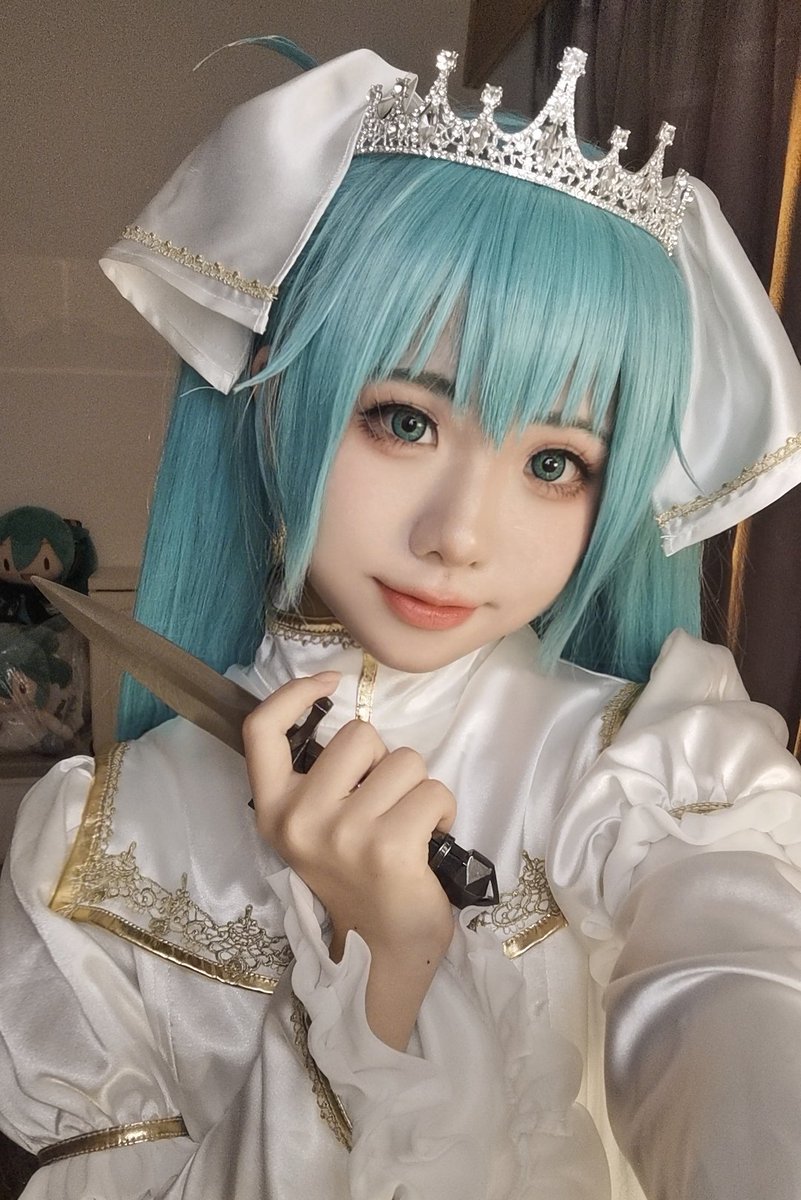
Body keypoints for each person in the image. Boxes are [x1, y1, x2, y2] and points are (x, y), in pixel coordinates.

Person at [2, 38, 801, 1200]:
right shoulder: (98, 846)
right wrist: (387, 964)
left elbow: (736, 997)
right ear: (273, 399)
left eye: (556, 463)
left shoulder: (652, 774)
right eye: (406, 421)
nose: (461, 535)